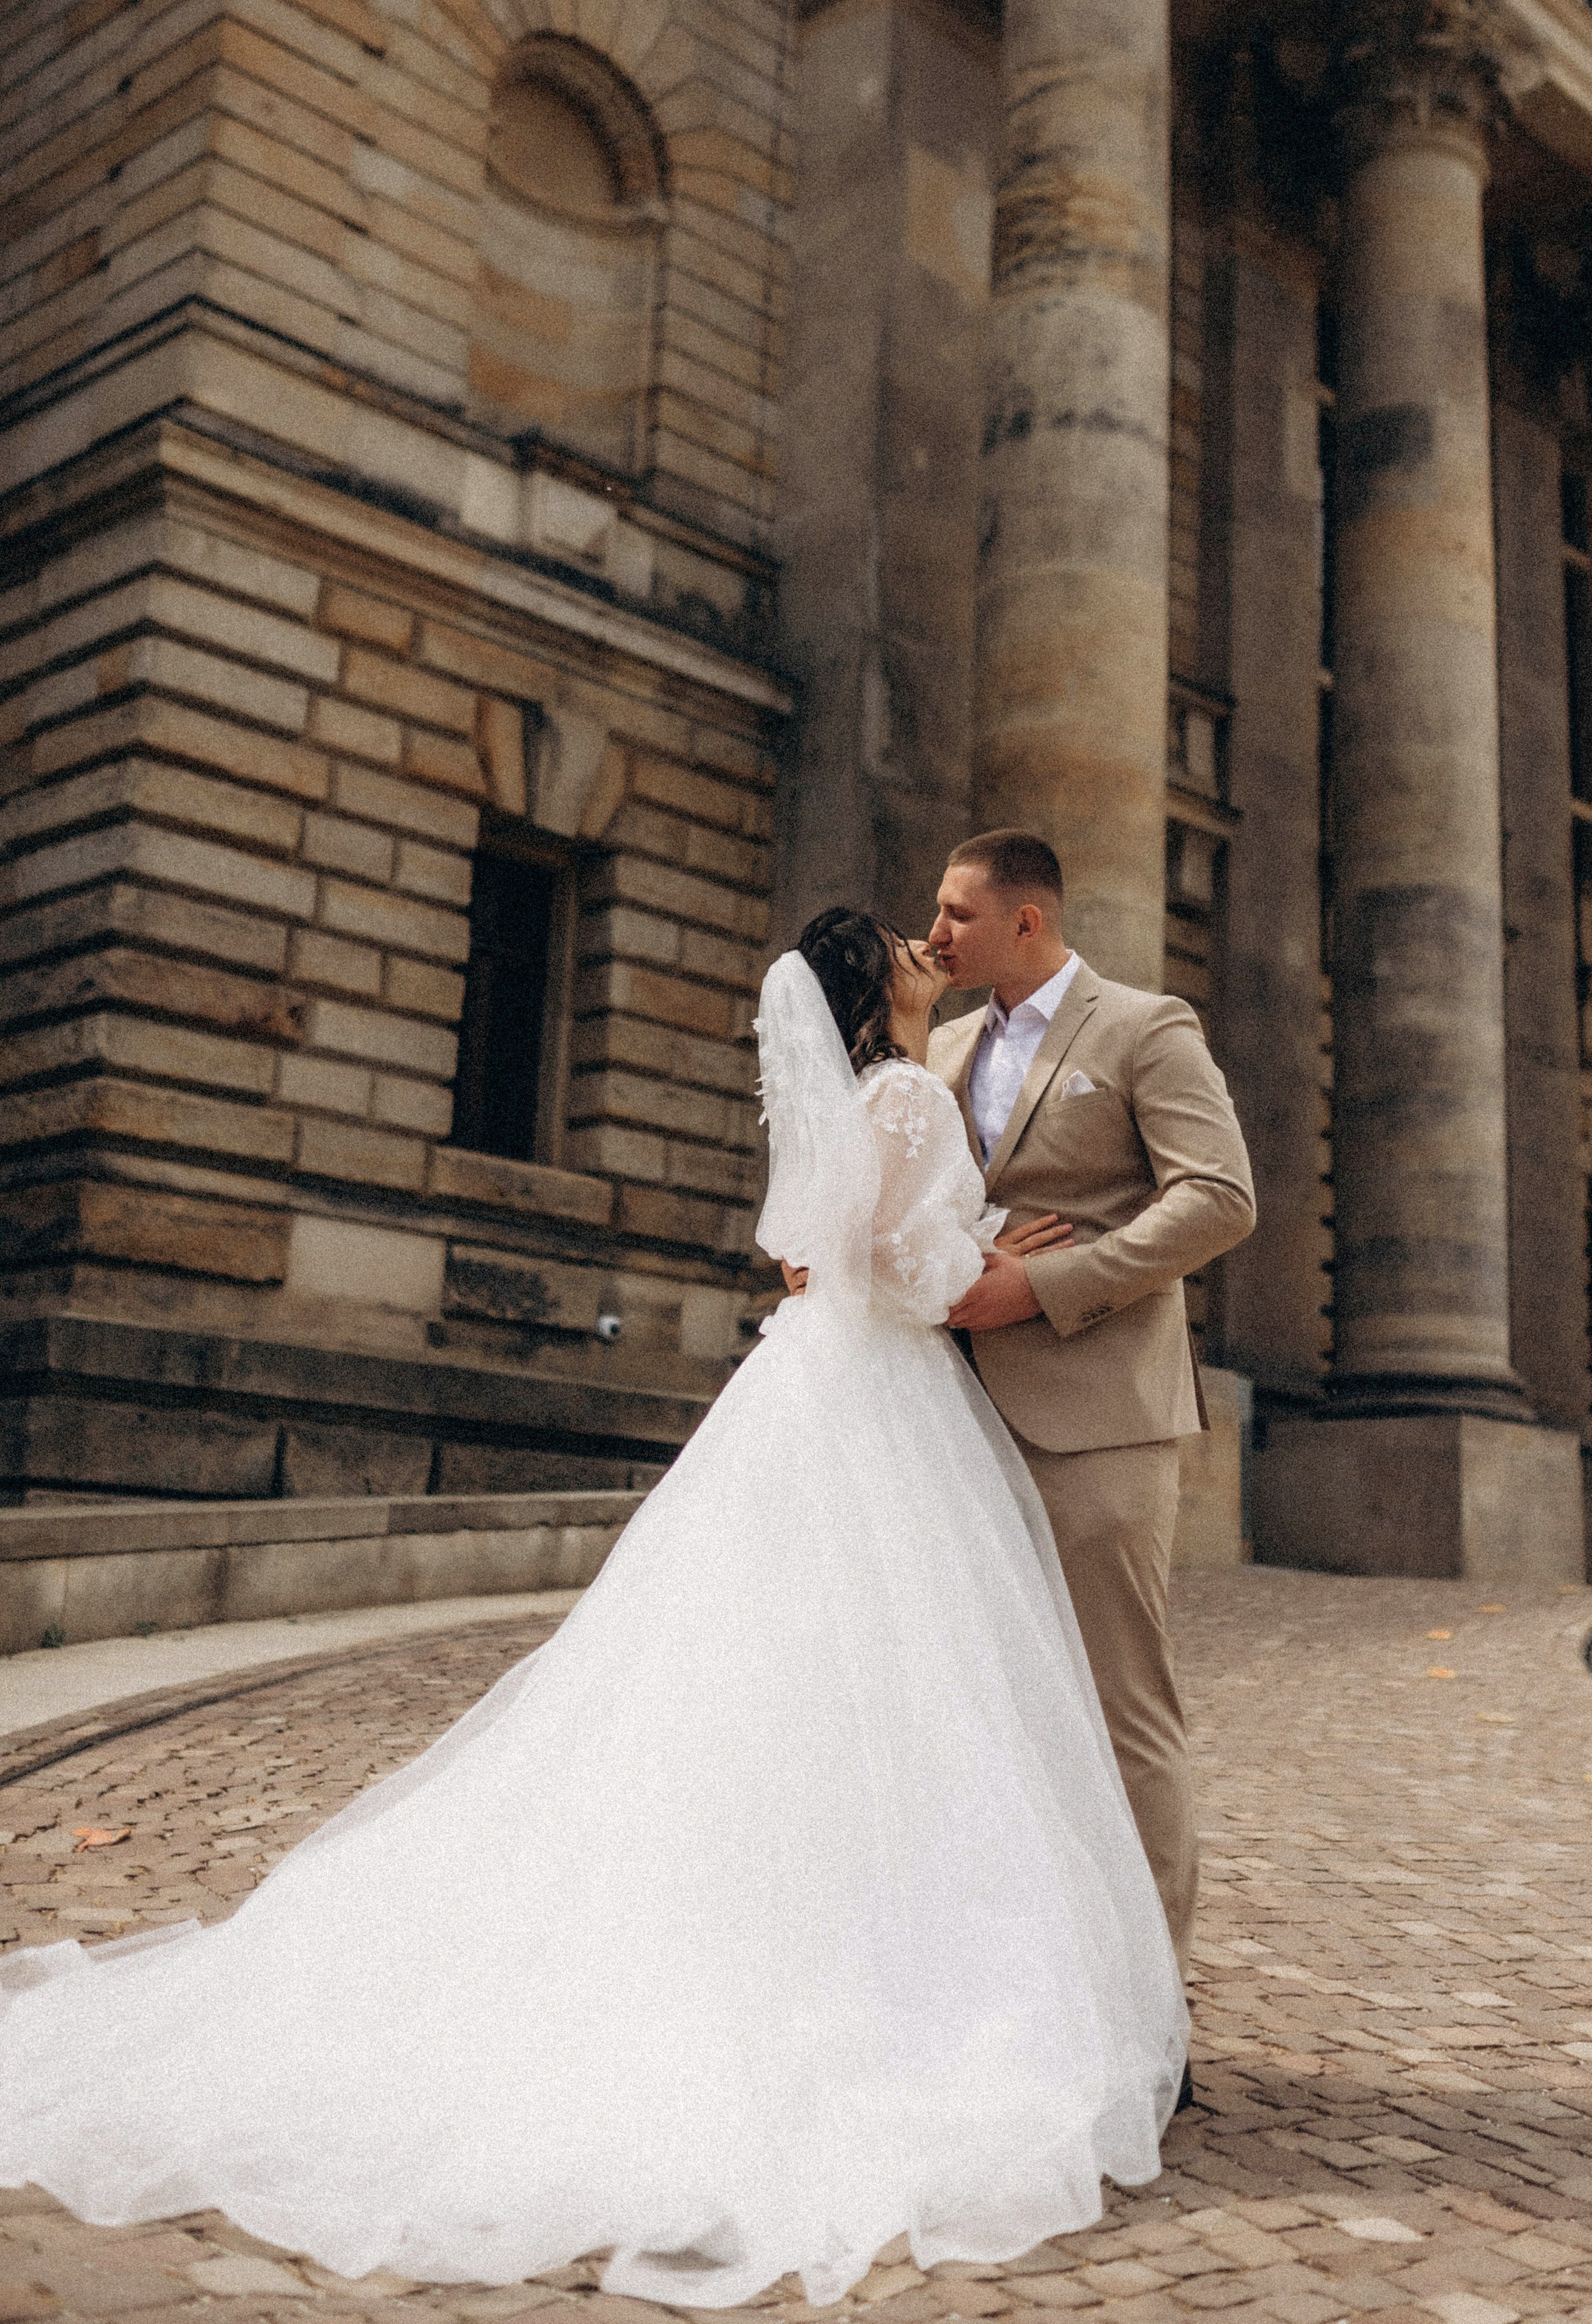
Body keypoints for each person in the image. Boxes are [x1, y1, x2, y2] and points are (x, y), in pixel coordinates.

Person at [0, 908, 1186, 2308]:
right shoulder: (909, 1091)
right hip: (881, 1408)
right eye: (909, 952)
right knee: (898, 1680)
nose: (931, 955)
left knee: (747, 1678)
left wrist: (941, 1230)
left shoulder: (840, 1106)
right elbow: (915, 1284)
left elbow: (808, 1262)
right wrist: (1008, 1250)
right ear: (880, 988)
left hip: (798, 1394)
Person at [925, 831, 1255, 2015]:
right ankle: (1018, 1992)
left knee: (1122, 1710)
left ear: (1029, 921)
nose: (937, 930)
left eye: (960, 911)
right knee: (977, 1709)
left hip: (1099, 1421)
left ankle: (1148, 2011)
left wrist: (1045, 1286)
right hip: (953, 1417)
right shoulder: (946, 1044)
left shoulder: (1143, 1026)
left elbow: (1220, 1199)